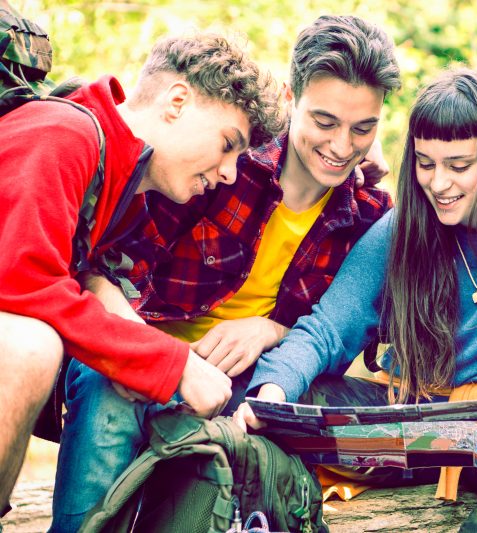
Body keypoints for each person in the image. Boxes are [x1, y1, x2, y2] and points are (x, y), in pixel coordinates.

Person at [50, 15, 400, 532]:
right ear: (290, 98)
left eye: (363, 128)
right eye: (325, 122)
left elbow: (333, 337)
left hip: (240, 387)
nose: (343, 146)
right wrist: (156, 359)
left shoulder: (367, 215)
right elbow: (106, 270)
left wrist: (271, 329)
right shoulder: (222, 163)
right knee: (107, 392)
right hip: (140, 355)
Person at [235, 68, 477, 532]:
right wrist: (274, 392)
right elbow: (328, 329)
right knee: (273, 398)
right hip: (406, 436)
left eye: (459, 165)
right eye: (426, 163)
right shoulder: (400, 232)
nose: (438, 183)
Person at [0, 33, 280, 517]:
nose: (232, 174)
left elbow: (76, 279)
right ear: (177, 102)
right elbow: (22, 284)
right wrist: (174, 363)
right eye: (228, 145)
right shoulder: (66, 134)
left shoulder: (121, 181)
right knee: (31, 347)